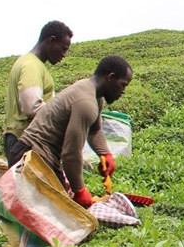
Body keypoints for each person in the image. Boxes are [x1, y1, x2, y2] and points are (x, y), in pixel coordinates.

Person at [9, 55, 132, 209]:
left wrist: (105, 153)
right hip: (31, 156)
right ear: (111, 78)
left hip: (42, 156)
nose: (123, 91)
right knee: (53, 214)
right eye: (123, 85)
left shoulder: (94, 95)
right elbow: (71, 154)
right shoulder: (86, 102)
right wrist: (79, 189)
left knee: (61, 211)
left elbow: (95, 130)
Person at [3, 21, 74, 166]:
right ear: (51, 40)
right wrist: (66, 115)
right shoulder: (31, 66)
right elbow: (32, 107)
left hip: (20, 138)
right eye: (63, 48)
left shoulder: (29, 63)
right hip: (25, 140)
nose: (64, 54)